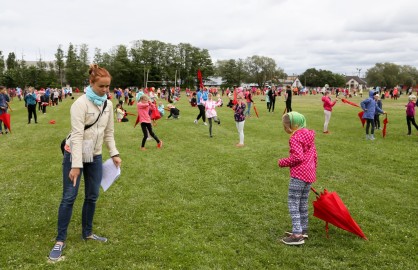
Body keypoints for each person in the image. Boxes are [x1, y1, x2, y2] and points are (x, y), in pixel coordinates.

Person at [49, 64, 122, 261]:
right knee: (69, 197)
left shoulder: (108, 104)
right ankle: (60, 240)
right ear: (91, 83)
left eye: (108, 87)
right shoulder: (80, 104)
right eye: (102, 87)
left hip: (95, 156)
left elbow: (109, 132)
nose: (106, 90)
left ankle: (87, 233)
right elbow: (78, 136)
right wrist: (75, 165)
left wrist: (114, 153)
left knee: (92, 196)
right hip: (75, 154)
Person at [278, 112, 317, 246]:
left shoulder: (295, 137)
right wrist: (311, 172)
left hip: (299, 175)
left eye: (287, 126)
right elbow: (314, 156)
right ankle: (303, 229)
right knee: (303, 203)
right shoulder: (309, 135)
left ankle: (297, 235)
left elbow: (298, 157)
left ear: (293, 125)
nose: (287, 129)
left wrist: (283, 162)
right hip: (309, 174)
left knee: (293, 203)